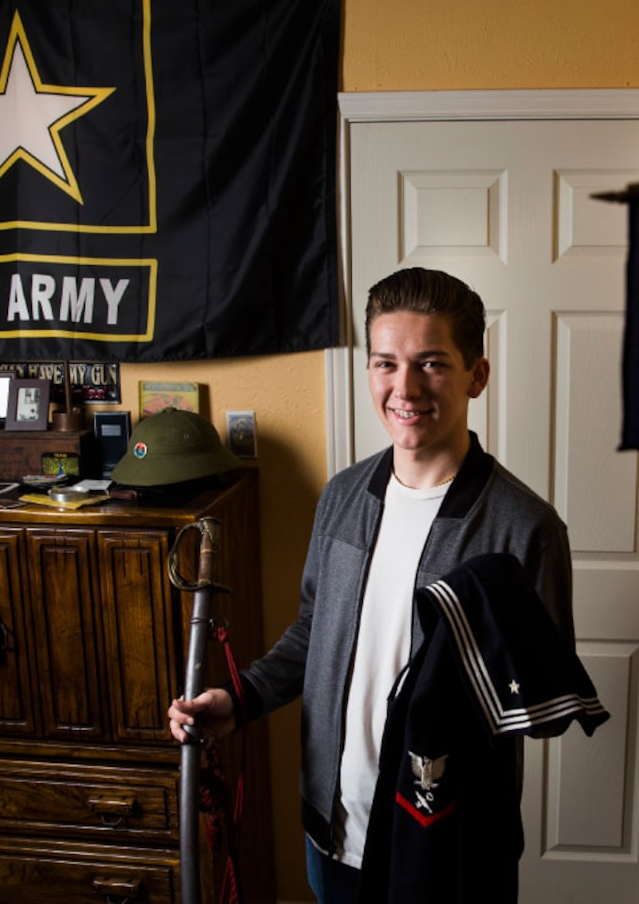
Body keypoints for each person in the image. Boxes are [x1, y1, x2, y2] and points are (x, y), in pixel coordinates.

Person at [168, 266, 574, 903]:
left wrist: (487, 648)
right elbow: (313, 631)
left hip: (454, 842)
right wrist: (239, 699)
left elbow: (544, 713)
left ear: (478, 374)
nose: (405, 387)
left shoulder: (526, 529)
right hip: (335, 826)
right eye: (385, 363)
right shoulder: (343, 498)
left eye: (432, 363)